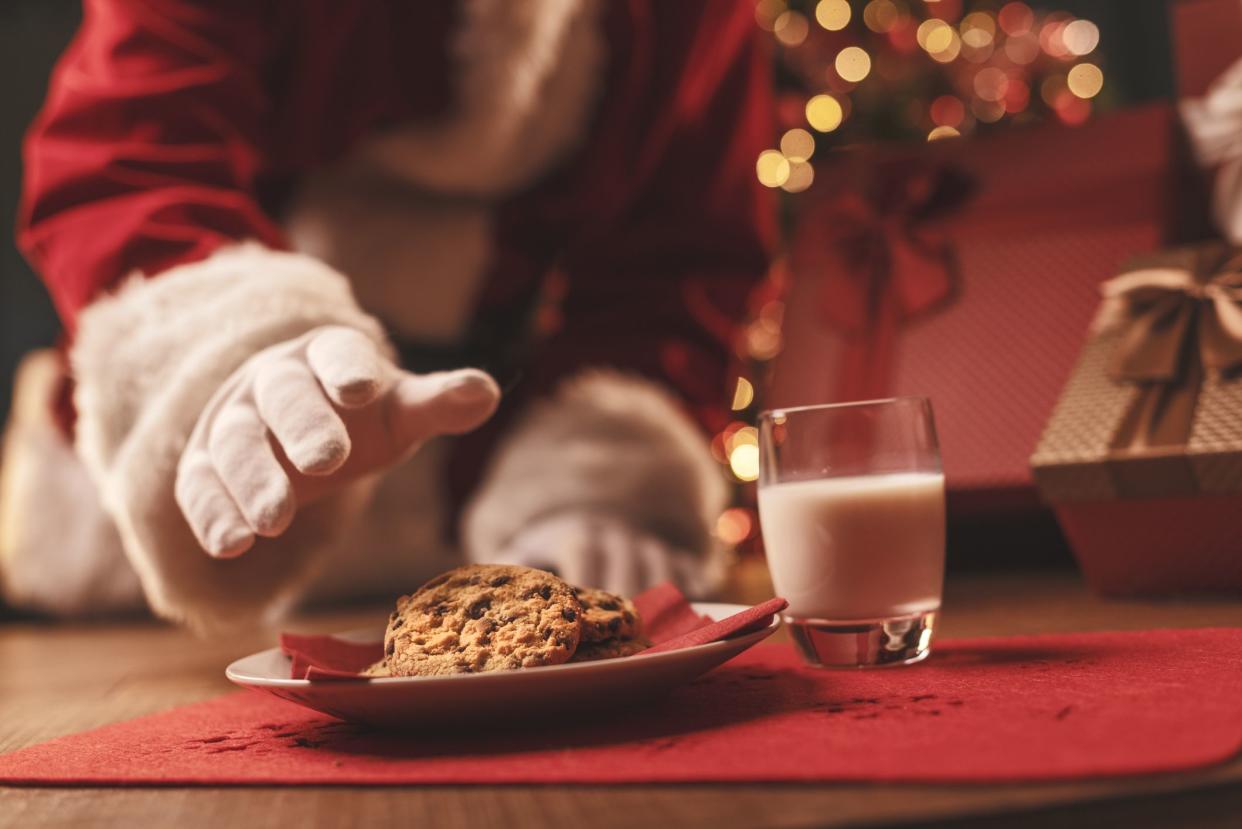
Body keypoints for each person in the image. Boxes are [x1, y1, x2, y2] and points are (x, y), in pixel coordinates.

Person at [0, 0, 774, 631]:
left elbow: (681, 260)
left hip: (482, 533)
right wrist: (230, 355)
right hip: (146, 594)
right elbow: (129, 161)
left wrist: (597, 482)